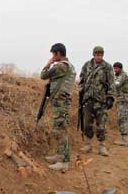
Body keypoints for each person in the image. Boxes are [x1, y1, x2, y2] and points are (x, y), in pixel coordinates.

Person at [41, 43, 76, 171]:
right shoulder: (68, 66)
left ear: (58, 53)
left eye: (53, 54)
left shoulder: (61, 66)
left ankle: (64, 162)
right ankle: (59, 155)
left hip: (61, 103)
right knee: (59, 129)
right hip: (62, 102)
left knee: (61, 131)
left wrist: (48, 63)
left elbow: (43, 75)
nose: (52, 57)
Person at [78, 46, 116, 156]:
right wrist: (81, 91)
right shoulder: (87, 65)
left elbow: (111, 83)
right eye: (97, 54)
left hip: (101, 100)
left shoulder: (107, 67)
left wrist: (110, 97)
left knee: (101, 125)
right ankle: (87, 145)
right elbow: (82, 79)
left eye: (101, 55)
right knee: (87, 124)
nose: (99, 56)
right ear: (93, 55)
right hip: (88, 99)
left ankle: (102, 146)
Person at [113, 62, 128, 146]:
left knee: (122, 118)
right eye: (114, 68)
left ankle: (125, 140)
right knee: (121, 118)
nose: (115, 70)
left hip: (124, 101)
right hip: (120, 100)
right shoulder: (117, 76)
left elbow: (116, 84)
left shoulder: (122, 75)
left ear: (120, 68)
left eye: (116, 68)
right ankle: (123, 138)